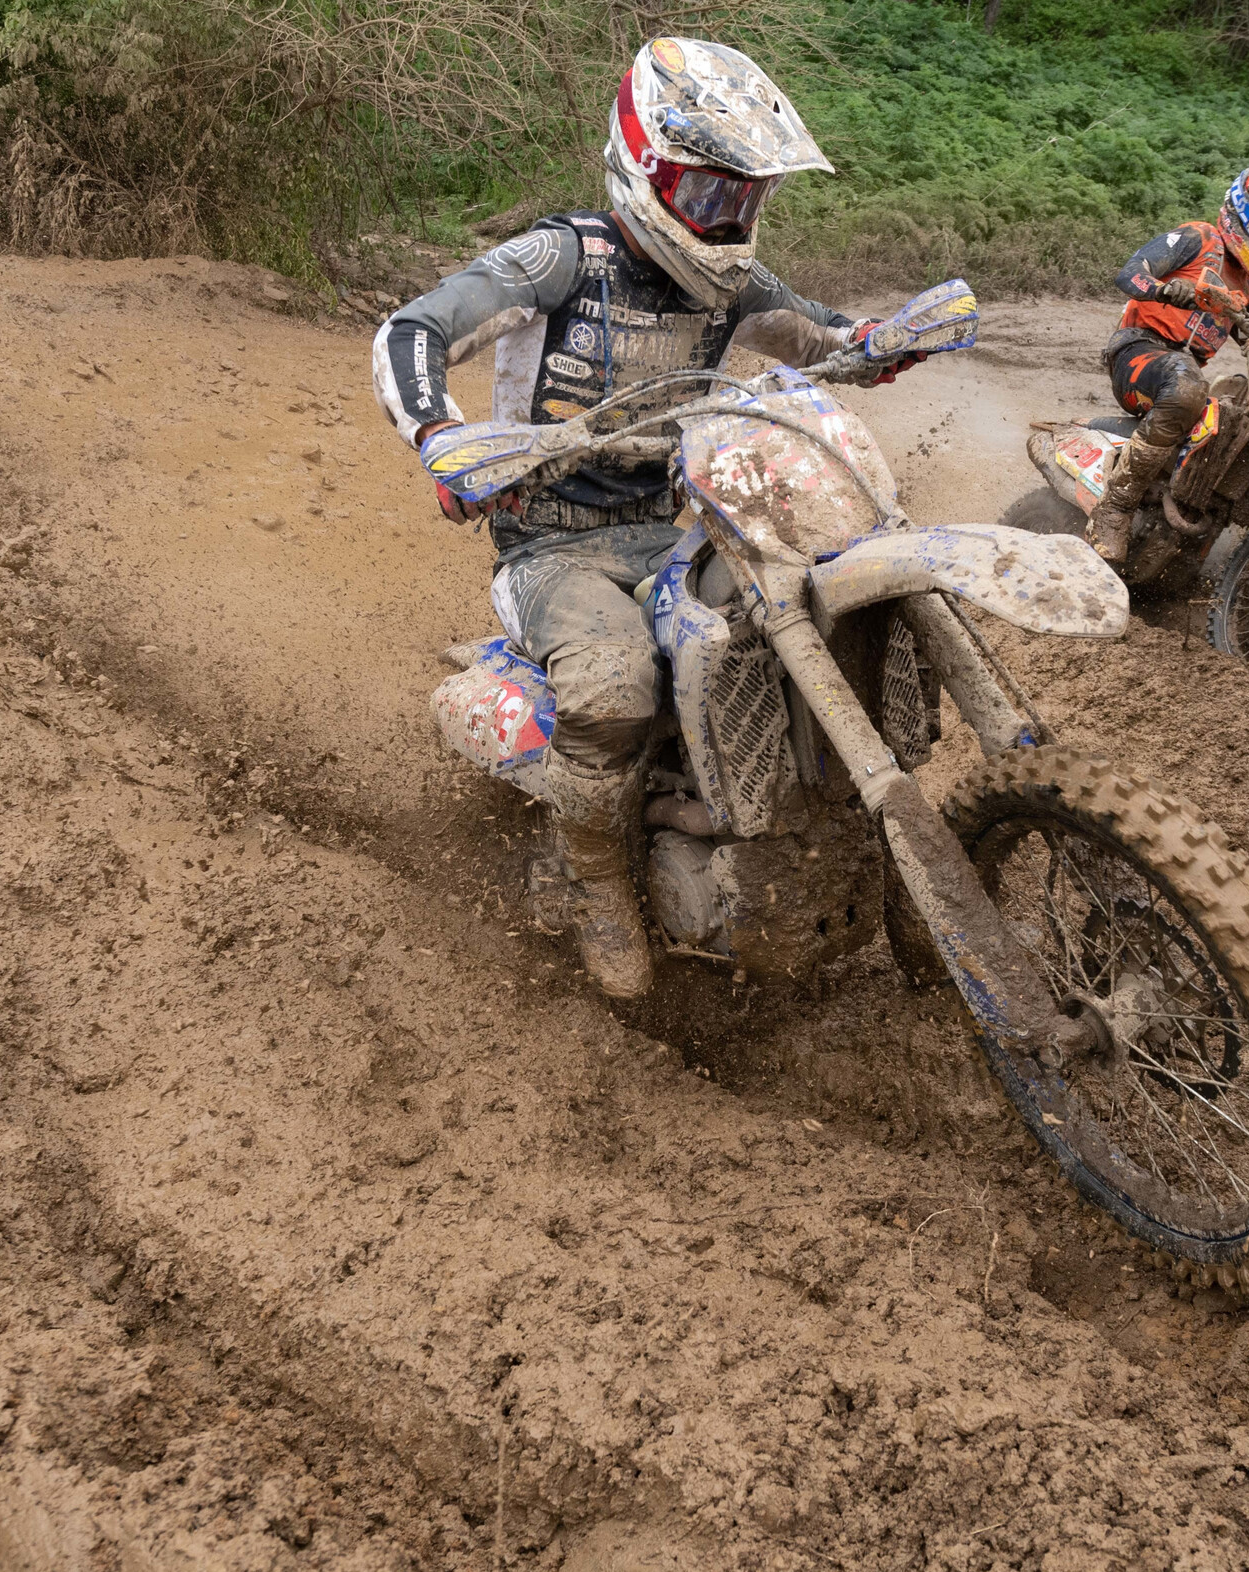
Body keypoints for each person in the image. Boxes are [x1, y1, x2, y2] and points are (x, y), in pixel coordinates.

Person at [372, 37, 919, 1000]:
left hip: (682, 529)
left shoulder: (737, 283)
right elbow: (412, 329)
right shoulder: (560, 258)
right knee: (618, 683)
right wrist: (437, 434)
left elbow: (827, 342)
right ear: (645, 167)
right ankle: (599, 889)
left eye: (745, 200)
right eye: (711, 196)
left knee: (816, 613)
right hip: (552, 545)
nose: (728, 219)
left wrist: (888, 340)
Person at [1067, 164, 1249, 563]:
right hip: (1137, 353)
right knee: (1187, 384)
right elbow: (1129, 274)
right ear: (1241, 210)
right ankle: (1115, 508)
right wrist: (1168, 291)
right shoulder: (1199, 238)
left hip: (1184, 370)